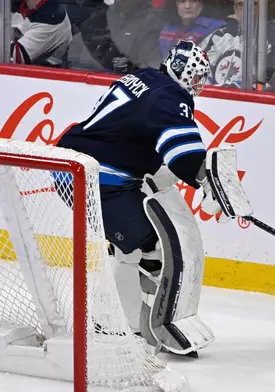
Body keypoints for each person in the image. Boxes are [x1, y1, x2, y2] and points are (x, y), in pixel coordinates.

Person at [56, 40, 251, 357]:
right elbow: (183, 155)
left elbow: (154, 148)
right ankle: (120, 327)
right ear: (180, 71)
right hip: (93, 176)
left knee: (135, 247)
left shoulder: (148, 77)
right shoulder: (169, 96)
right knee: (146, 248)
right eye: (196, 76)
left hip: (87, 166)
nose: (198, 85)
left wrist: (202, 181)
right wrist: (204, 181)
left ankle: (130, 324)